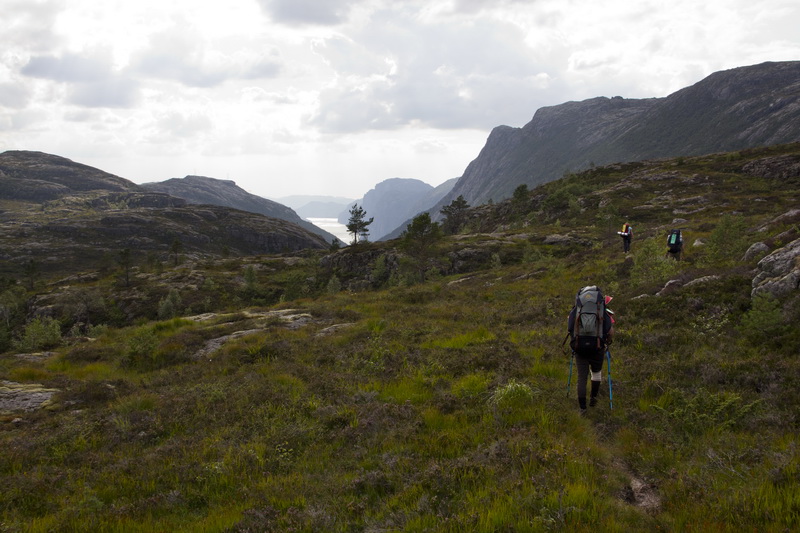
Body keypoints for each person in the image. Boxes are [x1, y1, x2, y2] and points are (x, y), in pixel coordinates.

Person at [567, 286, 615, 413]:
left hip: (579, 347)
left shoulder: (576, 309)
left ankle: (582, 408)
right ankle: (593, 400)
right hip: (597, 346)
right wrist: (607, 341)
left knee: (582, 377)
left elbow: (570, 327)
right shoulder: (601, 308)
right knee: (596, 373)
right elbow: (609, 330)